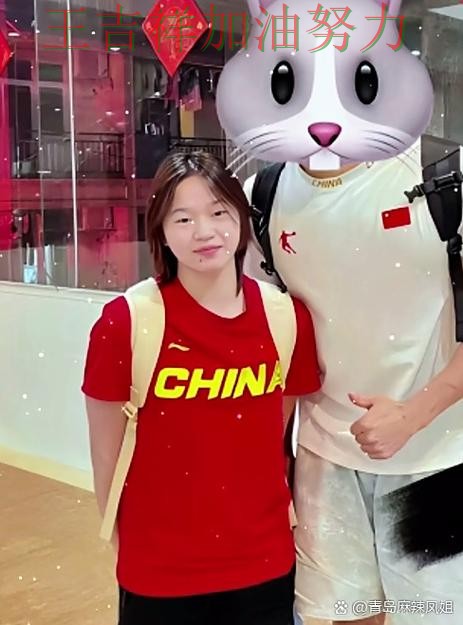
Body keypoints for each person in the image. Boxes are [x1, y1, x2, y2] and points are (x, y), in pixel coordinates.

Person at [81, 151, 321, 625]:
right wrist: (126, 545)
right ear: (161, 231)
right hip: (160, 572)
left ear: (240, 219)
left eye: (218, 212)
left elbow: (272, 436)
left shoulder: (286, 319)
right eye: (183, 218)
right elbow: (106, 456)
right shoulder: (125, 323)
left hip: (264, 563)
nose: (205, 232)